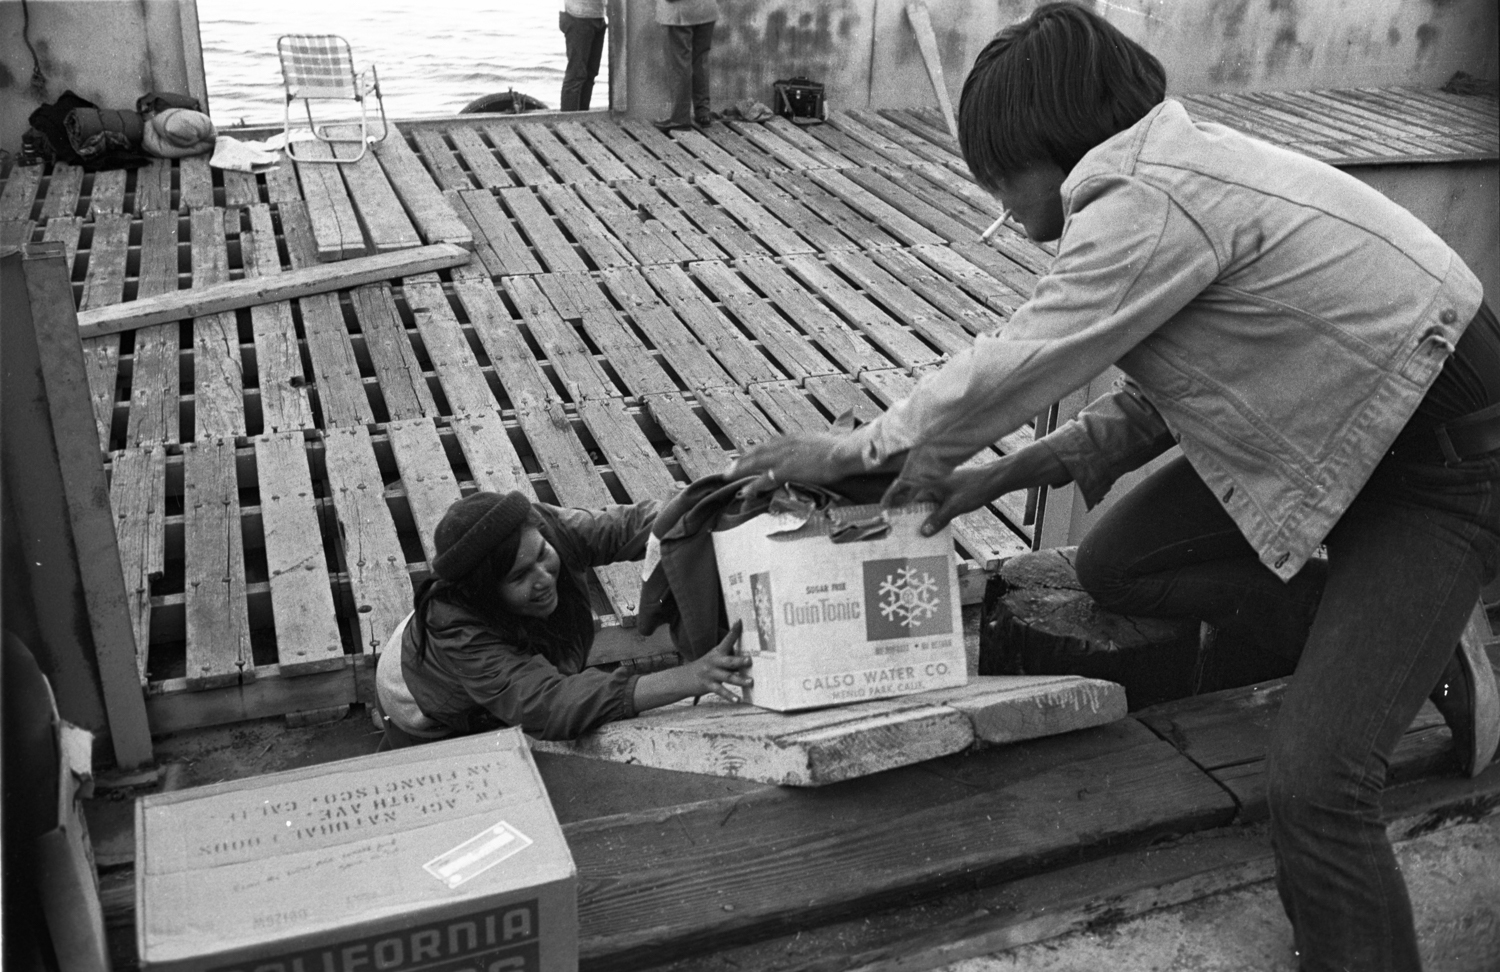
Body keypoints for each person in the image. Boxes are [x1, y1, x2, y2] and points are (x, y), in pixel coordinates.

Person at [726, 4, 1499, 970]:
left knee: (1318, 786)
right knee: (1114, 561)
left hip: (1443, 461)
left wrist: (853, 451)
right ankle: (1392, 640)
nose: (1007, 208)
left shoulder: (1146, 199)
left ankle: (1399, 651)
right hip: (1341, 432)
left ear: (1050, 151)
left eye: (1001, 181)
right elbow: (1159, 403)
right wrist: (995, 475)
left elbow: (1019, 356)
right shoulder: (1173, 175)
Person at [376, 490, 749, 748]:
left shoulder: (539, 529)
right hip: (420, 696)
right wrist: (690, 676)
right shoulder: (458, 629)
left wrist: (711, 510)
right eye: (519, 577)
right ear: (485, 594)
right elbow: (547, 704)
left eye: (542, 556)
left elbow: (628, 525)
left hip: (498, 649)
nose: (543, 577)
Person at [653, 0, 718, 131]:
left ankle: (680, 119)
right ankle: (703, 113)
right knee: (701, 61)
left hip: (679, 14)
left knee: (679, 65)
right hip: (707, 10)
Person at [559, 0, 607, 112]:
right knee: (576, 74)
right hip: (577, 16)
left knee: (590, 73)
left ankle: (582, 116)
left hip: (598, 16)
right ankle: (570, 122)